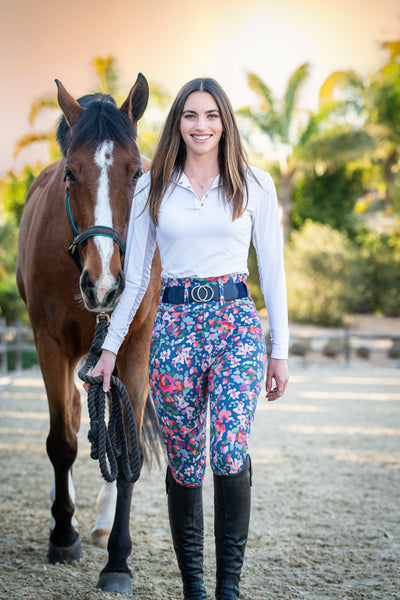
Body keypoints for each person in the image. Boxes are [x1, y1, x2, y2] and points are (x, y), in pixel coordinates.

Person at [88, 77, 289, 600]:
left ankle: (228, 588)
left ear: (225, 123)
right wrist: (109, 349)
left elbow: (273, 273)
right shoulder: (150, 186)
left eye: (211, 116)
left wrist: (279, 351)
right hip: (174, 328)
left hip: (236, 325)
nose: (201, 126)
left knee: (227, 451)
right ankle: (194, 589)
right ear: (177, 123)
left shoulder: (255, 184)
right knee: (184, 459)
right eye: (191, 116)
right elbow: (134, 281)